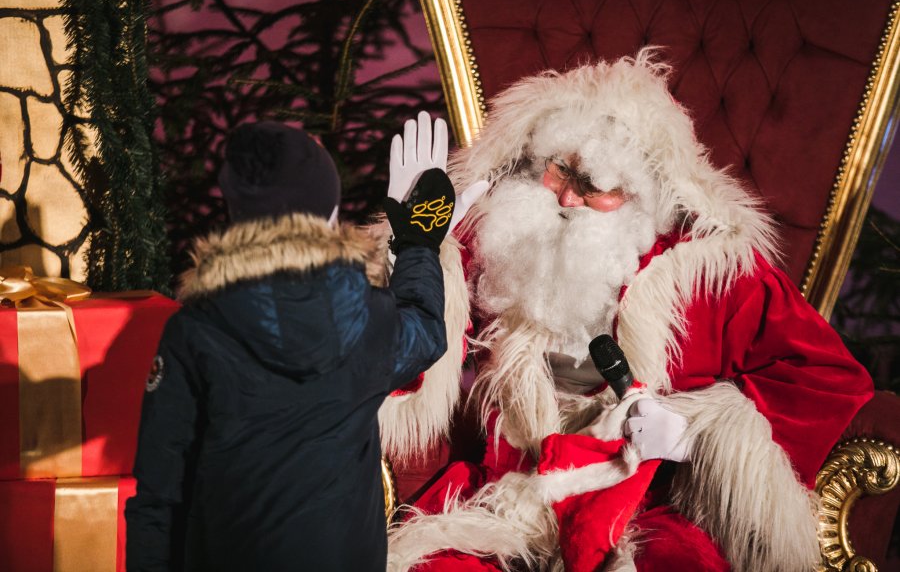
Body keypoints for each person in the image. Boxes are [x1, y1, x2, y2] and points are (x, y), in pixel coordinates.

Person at [379, 51, 874, 571]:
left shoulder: (710, 269)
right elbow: (407, 344)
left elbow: (826, 377)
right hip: (507, 497)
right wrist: (411, 248)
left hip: (646, 506)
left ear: (640, 196)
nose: (569, 197)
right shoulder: (501, 232)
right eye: (561, 170)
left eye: (595, 187)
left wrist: (693, 432)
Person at [125, 117, 462, 571]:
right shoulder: (369, 318)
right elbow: (425, 332)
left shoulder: (195, 331)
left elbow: (160, 491)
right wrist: (418, 242)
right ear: (329, 213)